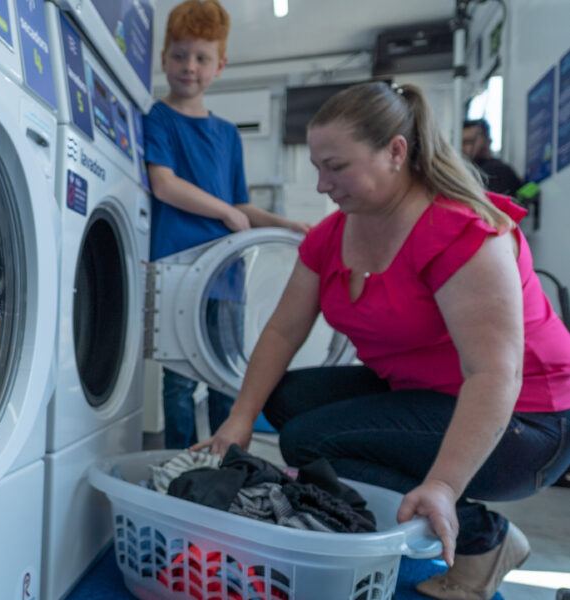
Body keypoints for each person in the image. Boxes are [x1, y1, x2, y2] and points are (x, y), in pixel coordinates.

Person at [192, 81, 570, 600]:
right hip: (429, 392)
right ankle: (434, 511)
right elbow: (282, 330)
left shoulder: (462, 230)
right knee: (285, 401)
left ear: (396, 151)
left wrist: (443, 484)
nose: (323, 184)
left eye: (337, 167)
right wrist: (237, 419)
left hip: (529, 424)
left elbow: (494, 374)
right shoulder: (334, 233)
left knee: (308, 443)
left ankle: (486, 537)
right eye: (318, 167)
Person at [144, 0, 309, 449]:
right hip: (177, 268)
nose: (189, 67)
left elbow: (242, 206)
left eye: (201, 58)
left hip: (227, 275)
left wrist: (285, 224)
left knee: (225, 377)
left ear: (220, 65)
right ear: (163, 59)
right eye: (180, 55)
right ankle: (180, 466)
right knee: (178, 385)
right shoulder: (158, 119)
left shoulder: (227, 134)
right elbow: (164, 184)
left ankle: (225, 462)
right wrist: (223, 212)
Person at [462, 118, 524, 196]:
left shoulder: (497, 170)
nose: (464, 148)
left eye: (469, 142)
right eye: (462, 143)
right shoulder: (470, 171)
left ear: (488, 141)